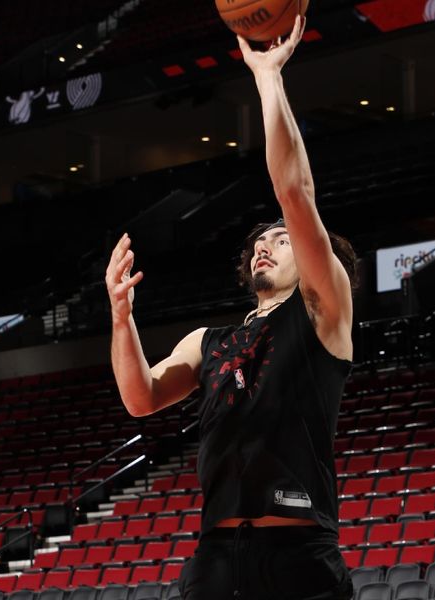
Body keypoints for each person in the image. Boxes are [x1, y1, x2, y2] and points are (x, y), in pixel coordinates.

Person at [106, 15, 355, 600]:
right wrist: (121, 317)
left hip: (298, 555)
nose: (266, 242)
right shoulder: (207, 341)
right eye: (260, 240)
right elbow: (140, 398)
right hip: (218, 559)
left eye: (282, 237)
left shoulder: (323, 308)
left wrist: (268, 78)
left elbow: (294, 191)